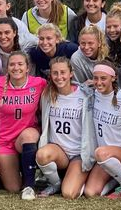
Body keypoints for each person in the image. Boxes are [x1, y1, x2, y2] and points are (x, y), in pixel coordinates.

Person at [0, 51, 47, 199]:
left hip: (26, 135)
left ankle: (29, 186)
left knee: (29, 135)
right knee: (13, 188)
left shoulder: (39, 83)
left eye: (20, 64)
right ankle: (14, 170)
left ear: (27, 68)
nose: (16, 68)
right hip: (4, 140)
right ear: (7, 68)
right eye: (12, 64)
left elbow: (58, 89)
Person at [36, 57, 95, 199]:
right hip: (59, 151)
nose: (59, 77)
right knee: (42, 155)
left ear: (71, 74)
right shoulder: (47, 95)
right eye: (55, 73)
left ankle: (82, 178)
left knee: (68, 193)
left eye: (63, 72)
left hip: (79, 153)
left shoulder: (86, 95)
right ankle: (55, 183)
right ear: (50, 75)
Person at [83, 62, 121, 199]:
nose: (98, 82)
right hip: (104, 157)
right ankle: (118, 180)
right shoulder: (92, 96)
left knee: (101, 153)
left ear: (113, 78)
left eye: (103, 78)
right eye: (95, 78)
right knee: (90, 192)